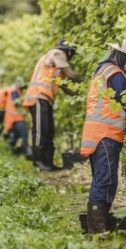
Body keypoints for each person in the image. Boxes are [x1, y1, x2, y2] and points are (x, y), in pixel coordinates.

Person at [80, 41, 126, 234]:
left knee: (105, 179)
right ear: (122, 56)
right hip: (105, 135)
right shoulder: (115, 74)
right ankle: (97, 229)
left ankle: (99, 225)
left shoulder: (102, 71)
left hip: (99, 134)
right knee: (105, 180)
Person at [23, 40, 83, 171]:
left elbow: (65, 87)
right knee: (40, 131)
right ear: (68, 51)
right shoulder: (57, 53)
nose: (70, 58)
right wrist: (86, 82)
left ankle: (48, 163)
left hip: (45, 99)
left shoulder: (56, 69)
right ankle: (39, 162)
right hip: (38, 96)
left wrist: (81, 96)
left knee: (48, 131)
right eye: (72, 54)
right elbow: (71, 74)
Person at [3, 77, 31, 157]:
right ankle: (26, 152)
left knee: (16, 135)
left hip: (13, 118)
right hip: (16, 117)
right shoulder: (14, 91)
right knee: (24, 133)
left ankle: (11, 151)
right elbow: (17, 103)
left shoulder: (15, 90)